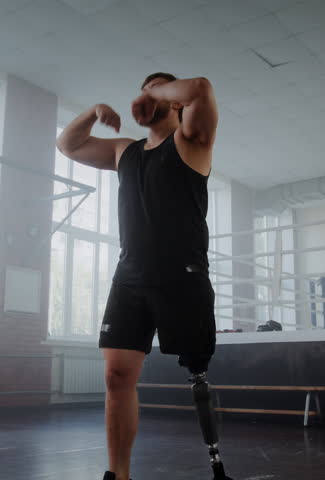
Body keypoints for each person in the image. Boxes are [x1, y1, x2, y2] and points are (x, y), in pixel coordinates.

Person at [56, 72, 220, 480]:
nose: (146, 95)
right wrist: (94, 111)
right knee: (115, 376)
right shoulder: (124, 152)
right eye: (143, 88)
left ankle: (215, 460)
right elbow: (68, 144)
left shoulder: (190, 144)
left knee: (196, 370)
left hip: (182, 275)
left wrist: (157, 93)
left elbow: (200, 88)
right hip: (129, 276)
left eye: (159, 88)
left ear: (175, 101)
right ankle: (119, 474)